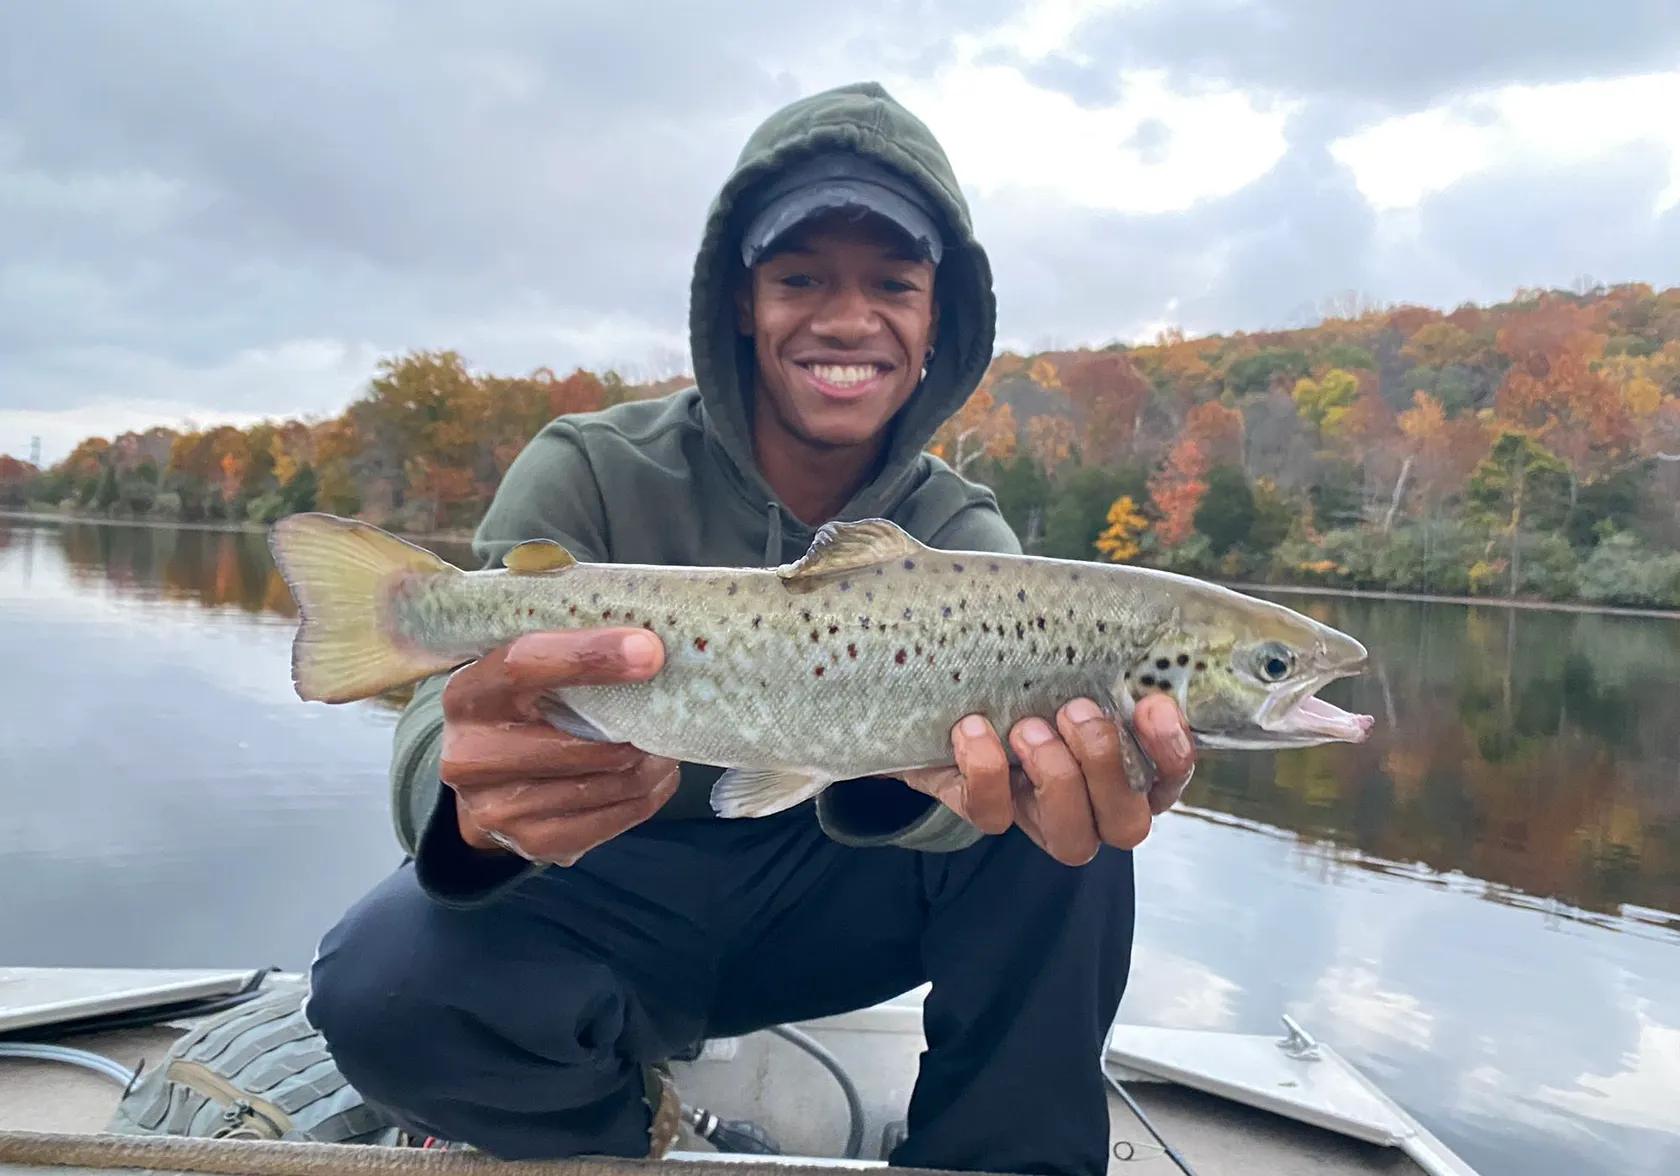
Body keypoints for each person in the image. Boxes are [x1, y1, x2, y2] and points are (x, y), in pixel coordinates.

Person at [302, 80, 1197, 1176]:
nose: (847, 316)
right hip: (607, 890)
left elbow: (982, 814)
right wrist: (472, 798)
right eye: (802, 277)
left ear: (936, 322)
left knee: (1075, 802)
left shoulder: (962, 536)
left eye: (893, 283)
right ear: (740, 302)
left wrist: (963, 797)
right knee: (377, 980)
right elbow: (441, 742)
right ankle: (608, 1137)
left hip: (832, 904)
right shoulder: (587, 469)